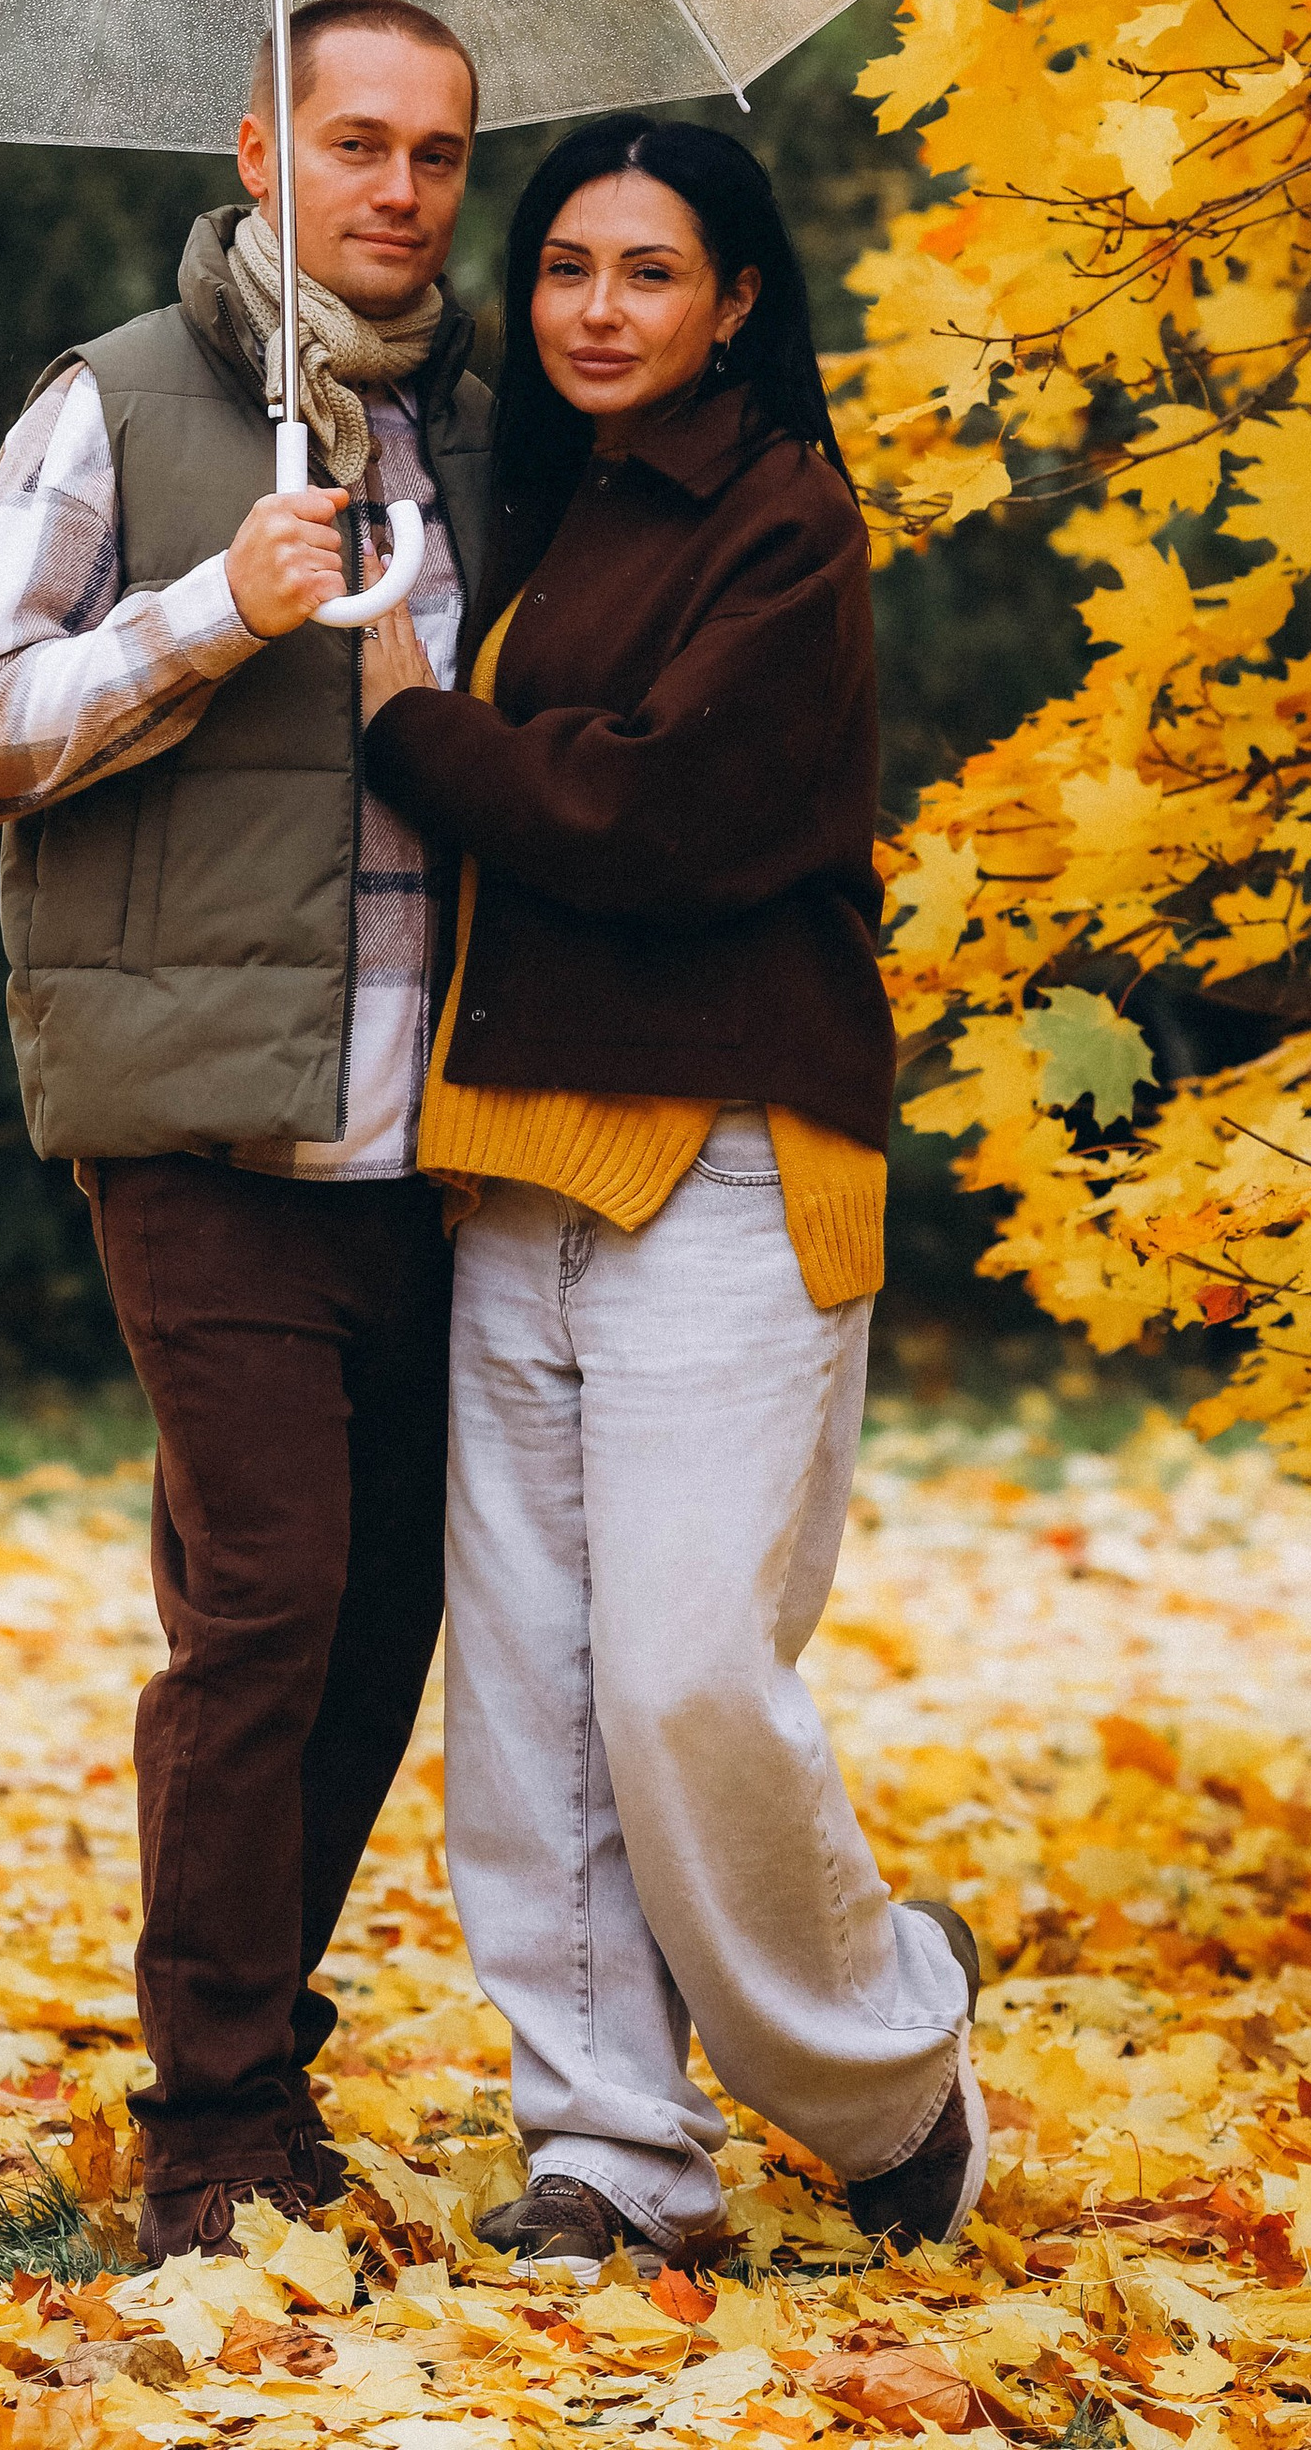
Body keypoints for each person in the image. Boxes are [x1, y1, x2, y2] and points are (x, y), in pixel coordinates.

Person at [357, 118, 987, 2278]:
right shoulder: (528, 513)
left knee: (685, 1677)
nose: (597, 308)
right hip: (512, 1155)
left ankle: (889, 2068)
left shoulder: (784, 523)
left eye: (648, 271)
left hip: (724, 1147)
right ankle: (611, 2154)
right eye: (562, 269)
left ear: (735, 303)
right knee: (528, 1699)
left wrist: (407, 727)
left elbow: (662, 819)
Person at [0, 0, 490, 2264]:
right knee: (265, 1601)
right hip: (202, 1130)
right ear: (260, 146)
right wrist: (200, 613)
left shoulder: (481, 426)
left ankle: (250, 2038)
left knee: (385, 1617)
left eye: (437, 153)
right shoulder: (112, 405)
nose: (397, 189)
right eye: (353, 140)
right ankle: (213, 2123)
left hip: (445, 1133)